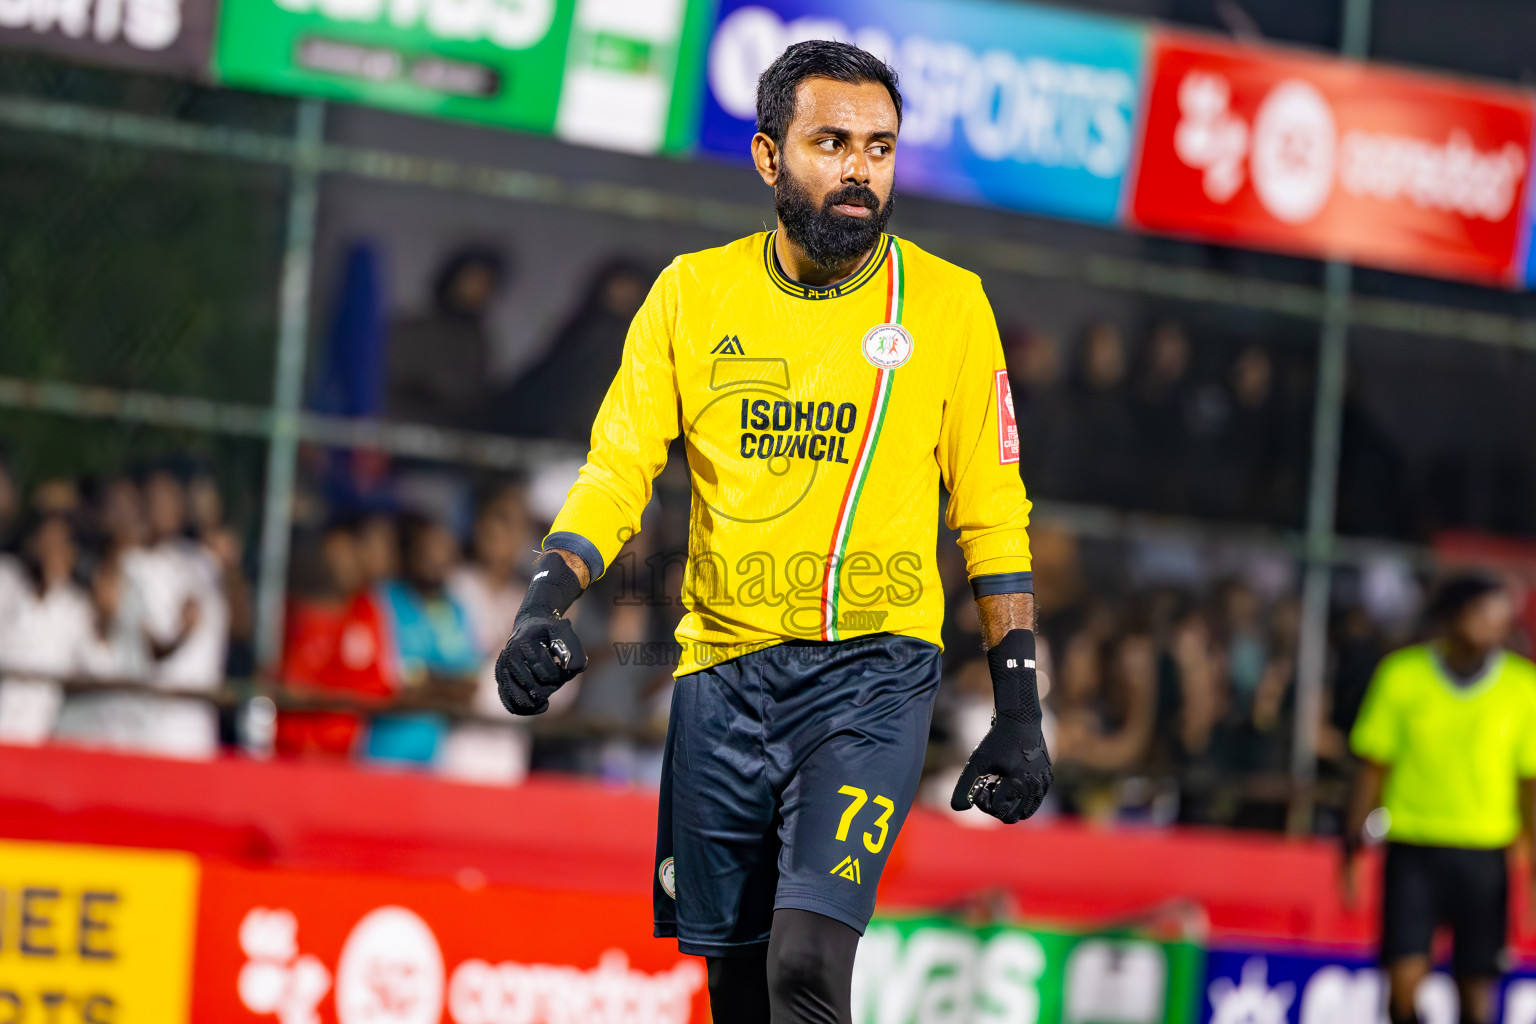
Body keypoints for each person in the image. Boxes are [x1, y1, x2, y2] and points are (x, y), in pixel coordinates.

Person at [493, 41, 1048, 1023]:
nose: (857, 170)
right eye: (830, 141)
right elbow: (618, 468)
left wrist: (1017, 702)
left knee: (805, 964)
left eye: (878, 147)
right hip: (722, 679)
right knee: (740, 990)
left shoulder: (951, 307)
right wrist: (544, 602)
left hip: (872, 676)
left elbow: (992, 507)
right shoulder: (690, 296)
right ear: (767, 157)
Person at [1342, 576, 1536, 1024]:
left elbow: (1529, 785)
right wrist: (1352, 843)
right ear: (1454, 617)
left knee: (1475, 993)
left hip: (1485, 853)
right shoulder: (1403, 676)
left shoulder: (1521, 687)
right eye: (1484, 615)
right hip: (1414, 848)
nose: (1495, 626)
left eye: (1501, 617)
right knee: (1403, 986)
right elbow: (1373, 767)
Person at [387, 246, 508, 428]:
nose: (478, 290)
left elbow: (477, 397)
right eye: (472, 280)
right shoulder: (414, 330)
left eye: (486, 283)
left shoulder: (478, 343)